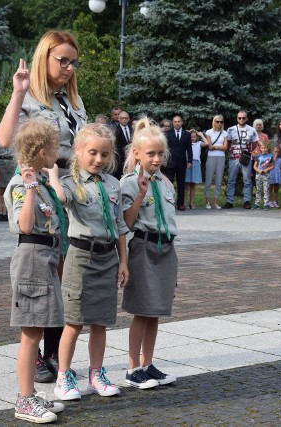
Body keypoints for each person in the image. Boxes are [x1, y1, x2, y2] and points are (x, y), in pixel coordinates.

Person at [0, 30, 87, 384]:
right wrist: (18, 92)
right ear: (44, 58)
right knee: (41, 269)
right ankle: (33, 353)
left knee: (65, 272)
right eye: (61, 60)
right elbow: (5, 139)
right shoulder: (30, 97)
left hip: (71, 187)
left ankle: (53, 351)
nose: (68, 67)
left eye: (72, 62)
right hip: (39, 187)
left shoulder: (73, 101)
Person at [51, 123, 128, 401]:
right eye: (92, 152)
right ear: (79, 151)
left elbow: (119, 225)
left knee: (100, 322)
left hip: (108, 257)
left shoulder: (113, 184)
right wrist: (52, 175)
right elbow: (61, 199)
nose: (99, 159)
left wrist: (123, 262)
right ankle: (63, 376)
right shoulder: (70, 182)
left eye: (105, 154)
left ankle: (96, 374)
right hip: (81, 257)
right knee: (74, 321)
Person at [5, 119, 66, 424]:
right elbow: (26, 225)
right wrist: (29, 189)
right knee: (31, 333)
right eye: (55, 145)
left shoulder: (41, 180)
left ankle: (29, 394)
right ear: (42, 150)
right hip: (32, 257)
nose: (59, 150)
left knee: (38, 328)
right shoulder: (23, 183)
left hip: (45, 257)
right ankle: (24, 399)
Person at [119, 117, 177, 389]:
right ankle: (132, 368)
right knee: (142, 310)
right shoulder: (129, 183)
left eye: (160, 154)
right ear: (137, 154)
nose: (156, 159)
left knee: (155, 311)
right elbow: (127, 223)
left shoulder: (166, 183)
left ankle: (148, 363)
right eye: (150, 154)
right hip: (143, 247)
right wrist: (141, 195)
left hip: (165, 247)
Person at [222, 111, 257, 209]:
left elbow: (254, 144)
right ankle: (229, 201)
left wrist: (248, 153)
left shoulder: (252, 130)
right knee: (231, 180)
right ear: (237, 118)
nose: (241, 119)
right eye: (239, 118)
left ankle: (246, 201)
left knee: (247, 181)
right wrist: (232, 152)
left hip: (246, 159)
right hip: (233, 158)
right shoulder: (231, 130)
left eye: (243, 118)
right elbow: (228, 144)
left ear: (247, 118)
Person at [164, 115, 192, 211]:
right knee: (169, 183)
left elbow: (189, 149)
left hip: (182, 163)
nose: (177, 123)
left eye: (179, 121)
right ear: (173, 123)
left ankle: (180, 204)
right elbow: (165, 148)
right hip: (170, 162)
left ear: (182, 122)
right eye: (175, 121)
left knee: (181, 184)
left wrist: (190, 161)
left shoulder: (187, 134)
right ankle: (169, 202)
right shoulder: (168, 133)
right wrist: (164, 159)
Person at [201, 115, 228, 210]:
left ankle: (216, 201)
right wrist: (219, 146)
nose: (219, 123)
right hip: (211, 157)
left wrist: (216, 147)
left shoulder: (225, 133)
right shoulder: (209, 132)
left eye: (221, 122)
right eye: (217, 121)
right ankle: (207, 201)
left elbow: (225, 147)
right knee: (208, 180)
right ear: (214, 122)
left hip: (221, 157)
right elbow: (209, 146)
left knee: (219, 181)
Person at [253, 139, 273, 210]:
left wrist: (267, 169)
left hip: (266, 175)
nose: (264, 149)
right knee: (258, 189)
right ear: (260, 149)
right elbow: (254, 166)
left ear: (267, 148)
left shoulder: (270, 156)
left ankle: (266, 204)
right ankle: (257, 203)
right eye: (262, 148)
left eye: (265, 148)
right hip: (258, 175)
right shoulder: (258, 156)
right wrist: (259, 170)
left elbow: (272, 165)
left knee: (266, 189)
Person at [184, 130, 203, 209]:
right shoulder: (186, 144)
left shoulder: (199, 144)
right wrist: (185, 133)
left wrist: (201, 135)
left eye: (194, 137)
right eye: (191, 137)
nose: (192, 138)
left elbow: (207, 143)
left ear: (196, 137)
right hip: (188, 163)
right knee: (186, 185)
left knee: (193, 185)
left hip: (196, 164)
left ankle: (191, 203)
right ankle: (184, 202)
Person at [113, 110, 133, 179]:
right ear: (118, 119)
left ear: (129, 119)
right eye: (122, 118)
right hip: (120, 159)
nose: (124, 120)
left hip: (131, 157)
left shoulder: (132, 129)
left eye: (126, 118)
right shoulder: (116, 130)